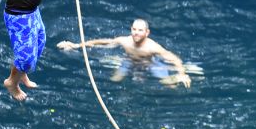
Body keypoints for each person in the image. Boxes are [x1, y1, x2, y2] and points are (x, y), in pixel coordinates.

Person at [57, 18, 191, 88]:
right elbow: (102, 42)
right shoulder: (125, 41)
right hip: (129, 61)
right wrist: (75, 45)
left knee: (170, 85)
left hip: (150, 63)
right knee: (114, 80)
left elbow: (174, 59)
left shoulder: (153, 47)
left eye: (140, 30)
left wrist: (181, 73)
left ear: (147, 33)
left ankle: (186, 73)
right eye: (134, 29)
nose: (136, 33)